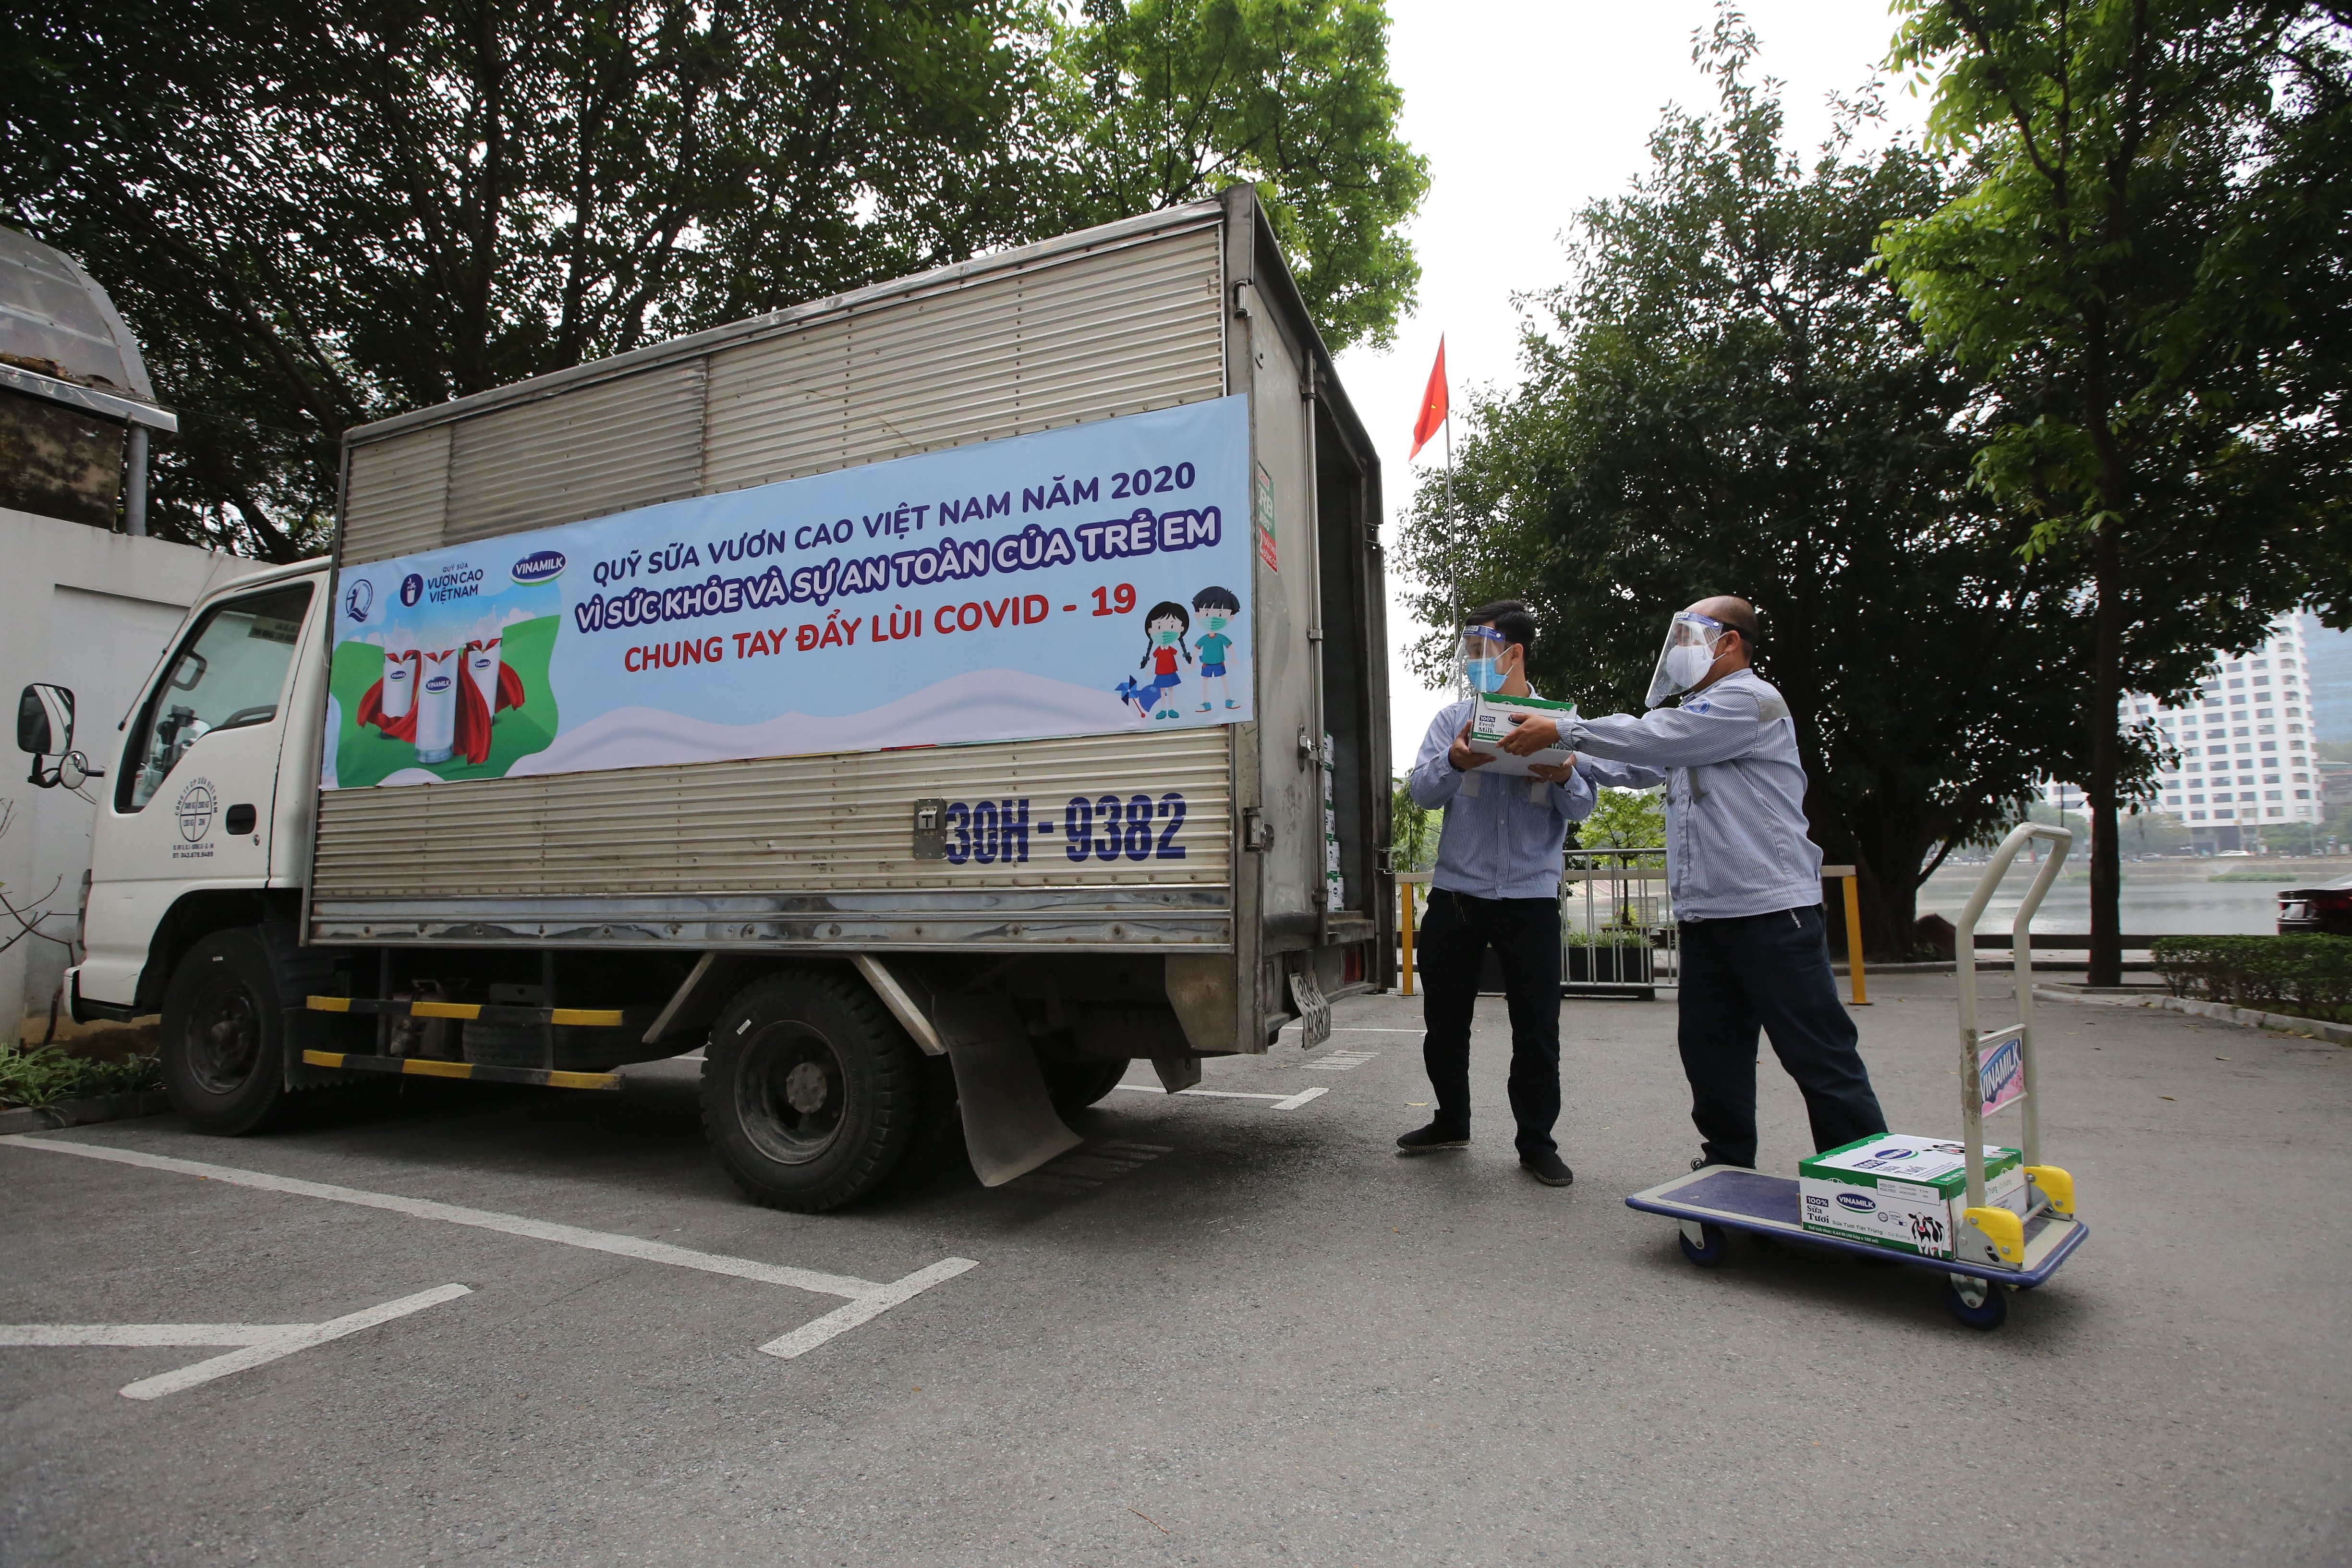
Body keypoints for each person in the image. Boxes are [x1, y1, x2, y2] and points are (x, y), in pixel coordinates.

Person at [1495, 595, 1886, 1171]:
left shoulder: (1748, 701)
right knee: (1711, 1053)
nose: (1679, 652)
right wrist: (1567, 760)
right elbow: (1638, 764)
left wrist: (1565, 728)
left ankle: (1868, 1181)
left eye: (1688, 638)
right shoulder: (1700, 716)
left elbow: (1656, 739)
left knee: (1817, 1054)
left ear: (1727, 642)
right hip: (1707, 916)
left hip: (1771, 912)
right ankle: (1727, 1163)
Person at [1397, 600, 1603, 1186]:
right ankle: (1450, 1119)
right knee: (1444, 1020)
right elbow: (1421, 792)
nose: (1471, 662)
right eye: (1467, 651)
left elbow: (1584, 803)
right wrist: (1455, 760)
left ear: (1513, 652)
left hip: (1530, 897)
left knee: (1535, 1028)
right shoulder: (1450, 719)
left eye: (1481, 651)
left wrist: (1564, 775)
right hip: (1458, 894)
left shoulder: (1558, 720)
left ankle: (1536, 1142)